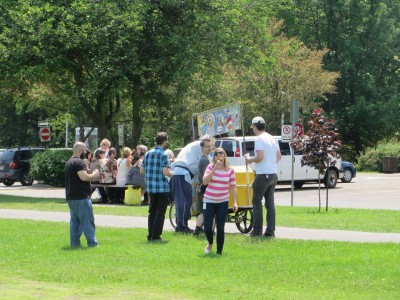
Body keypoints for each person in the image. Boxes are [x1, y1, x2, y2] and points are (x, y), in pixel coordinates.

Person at [245, 116, 281, 238]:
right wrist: (270, 163)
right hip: (273, 174)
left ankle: (257, 230)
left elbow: (259, 157)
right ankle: (270, 231)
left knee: (256, 202)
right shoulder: (272, 138)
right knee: (270, 203)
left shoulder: (259, 139)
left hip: (262, 175)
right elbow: (278, 156)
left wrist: (249, 159)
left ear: (255, 127)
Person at [171, 134, 214, 233]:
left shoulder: (195, 146)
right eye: (208, 145)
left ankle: (182, 225)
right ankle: (181, 226)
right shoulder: (199, 146)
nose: (210, 148)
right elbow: (207, 160)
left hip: (180, 172)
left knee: (184, 200)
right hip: (182, 172)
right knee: (184, 201)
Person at [203, 148, 238, 255]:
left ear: (224, 156)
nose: (219, 155)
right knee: (208, 227)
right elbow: (205, 181)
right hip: (209, 201)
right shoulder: (210, 167)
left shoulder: (230, 170)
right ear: (214, 157)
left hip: (222, 201)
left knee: (221, 228)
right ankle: (210, 243)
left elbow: (233, 186)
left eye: (221, 153)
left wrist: (235, 202)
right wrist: (214, 169)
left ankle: (219, 252)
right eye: (216, 154)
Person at [65, 142, 100, 248]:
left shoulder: (69, 162)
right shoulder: (79, 162)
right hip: (81, 197)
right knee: (87, 221)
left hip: (71, 197)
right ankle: (92, 243)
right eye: (85, 150)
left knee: (75, 222)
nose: (86, 152)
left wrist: (87, 171)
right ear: (81, 151)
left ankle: (74, 244)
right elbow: (83, 177)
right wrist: (94, 174)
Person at [142, 132, 172, 241]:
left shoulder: (148, 154)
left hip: (151, 187)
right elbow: (165, 172)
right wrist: (171, 173)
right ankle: (156, 235)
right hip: (162, 187)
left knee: (152, 212)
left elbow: (142, 169)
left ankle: (150, 235)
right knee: (160, 212)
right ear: (164, 141)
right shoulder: (164, 155)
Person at [193, 138, 213, 236]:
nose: (209, 148)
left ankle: (197, 229)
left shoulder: (204, 158)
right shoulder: (205, 160)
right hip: (205, 189)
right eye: (207, 146)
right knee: (209, 211)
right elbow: (207, 177)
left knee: (202, 211)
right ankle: (210, 231)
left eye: (210, 146)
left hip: (200, 189)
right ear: (202, 147)